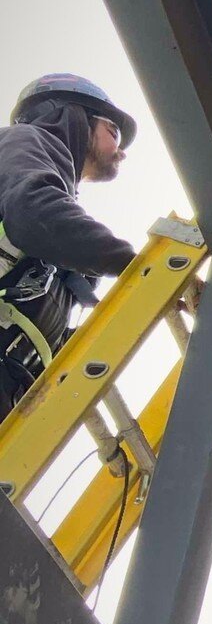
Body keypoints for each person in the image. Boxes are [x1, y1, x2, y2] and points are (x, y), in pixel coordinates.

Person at [0, 73, 137, 417]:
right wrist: (136, 266)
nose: (121, 152)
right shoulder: (24, 141)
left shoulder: (65, 259)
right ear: (76, 116)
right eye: (114, 132)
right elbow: (33, 212)